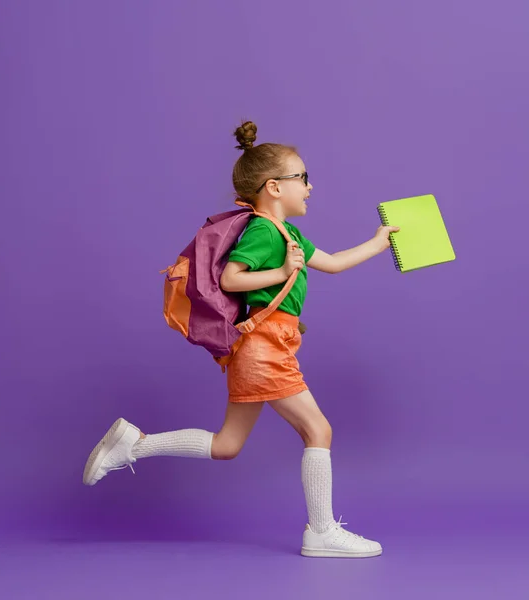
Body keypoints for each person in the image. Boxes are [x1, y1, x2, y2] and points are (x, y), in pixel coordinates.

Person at [82, 121, 399, 558]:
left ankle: (136, 444)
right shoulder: (264, 231)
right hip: (265, 347)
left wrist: (379, 243)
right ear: (274, 186)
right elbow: (233, 278)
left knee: (227, 445)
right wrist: (284, 272)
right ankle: (321, 531)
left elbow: (335, 263)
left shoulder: (289, 234)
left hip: (264, 346)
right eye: (302, 178)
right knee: (318, 429)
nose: (310, 186)